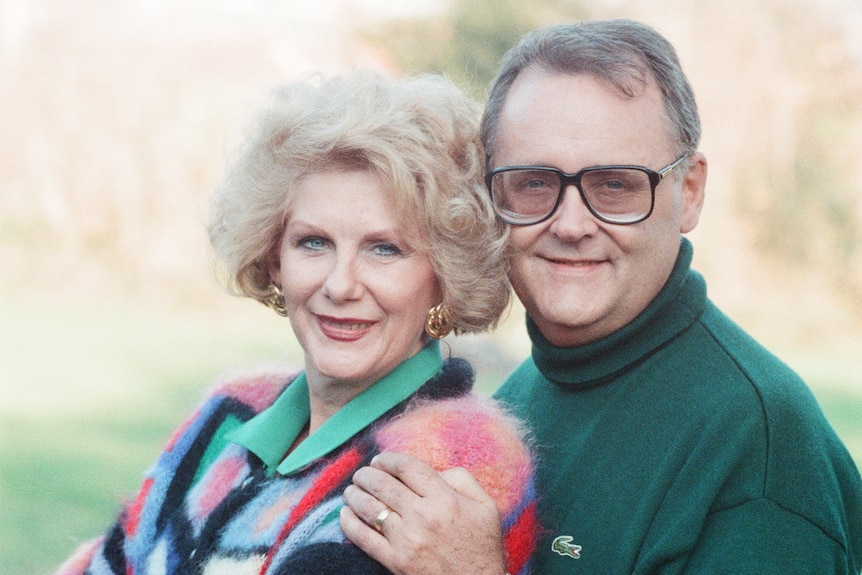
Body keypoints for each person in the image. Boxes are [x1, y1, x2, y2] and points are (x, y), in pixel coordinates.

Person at [340, 19, 862, 574]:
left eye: (615, 185)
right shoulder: (517, 399)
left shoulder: (758, 453)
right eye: (534, 182)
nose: (570, 224)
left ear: (688, 192)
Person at [54, 71, 540, 575]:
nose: (340, 284)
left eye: (384, 248)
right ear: (273, 256)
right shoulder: (232, 408)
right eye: (314, 242)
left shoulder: (455, 457)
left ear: (443, 274)